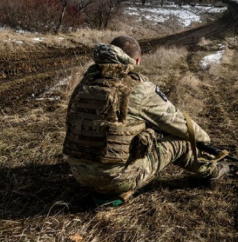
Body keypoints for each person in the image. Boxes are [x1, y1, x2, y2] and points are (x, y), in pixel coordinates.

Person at [63, 35, 228, 203]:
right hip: (117, 179)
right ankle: (212, 172)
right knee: (183, 143)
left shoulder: (86, 81)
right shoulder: (139, 87)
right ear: (137, 60)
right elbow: (180, 124)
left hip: (78, 173)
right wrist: (205, 140)